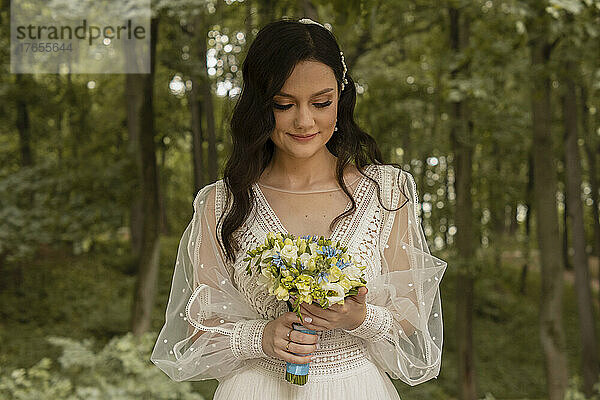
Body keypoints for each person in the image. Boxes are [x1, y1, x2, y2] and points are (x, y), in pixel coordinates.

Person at [151, 17, 447, 400]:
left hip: (353, 387)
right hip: (257, 387)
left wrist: (360, 317)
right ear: (261, 105)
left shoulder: (386, 191)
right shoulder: (222, 201)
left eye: (321, 103)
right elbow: (199, 330)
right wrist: (261, 337)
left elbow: (411, 316)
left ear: (341, 99)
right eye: (284, 104)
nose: (304, 121)